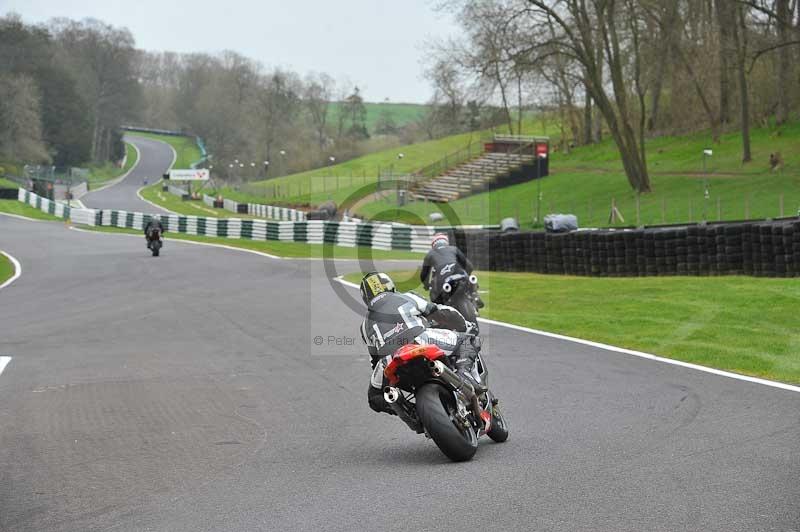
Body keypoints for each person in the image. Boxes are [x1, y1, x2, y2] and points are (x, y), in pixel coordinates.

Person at [358, 271, 485, 416]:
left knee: (374, 398)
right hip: (420, 339)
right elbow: (440, 311)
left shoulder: (364, 326)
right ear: (389, 285)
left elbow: (374, 360)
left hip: (389, 360)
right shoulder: (406, 297)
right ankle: (465, 375)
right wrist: (463, 324)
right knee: (469, 340)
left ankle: (410, 411)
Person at [420, 233, 479, 306]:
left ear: (433, 245)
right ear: (446, 242)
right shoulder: (454, 249)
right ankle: (475, 296)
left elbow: (424, 275)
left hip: (443, 279)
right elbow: (469, 266)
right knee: (471, 282)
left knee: (436, 300)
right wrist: (467, 274)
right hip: (460, 273)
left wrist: (426, 285)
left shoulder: (430, 254)